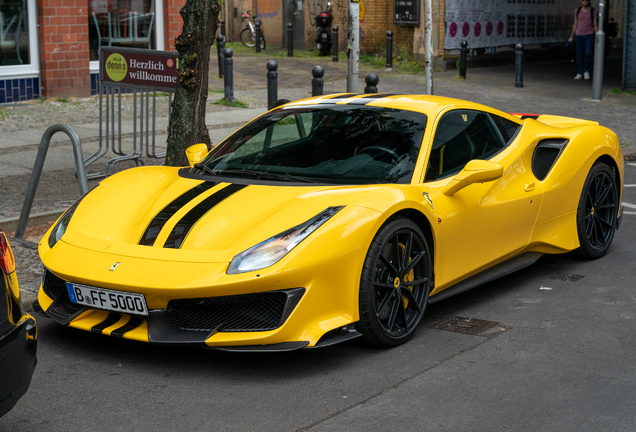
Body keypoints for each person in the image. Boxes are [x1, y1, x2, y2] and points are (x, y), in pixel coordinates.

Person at [568, 0, 598, 80]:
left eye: (587, 0)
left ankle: (586, 71)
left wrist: (597, 37)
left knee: (588, 53)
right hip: (578, 35)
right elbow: (575, 23)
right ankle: (579, 72)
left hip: (589, 35)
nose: (585, 1)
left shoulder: (593, 11)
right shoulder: (577, 11)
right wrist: (571, 36)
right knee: (579, 54)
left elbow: (595, 25)